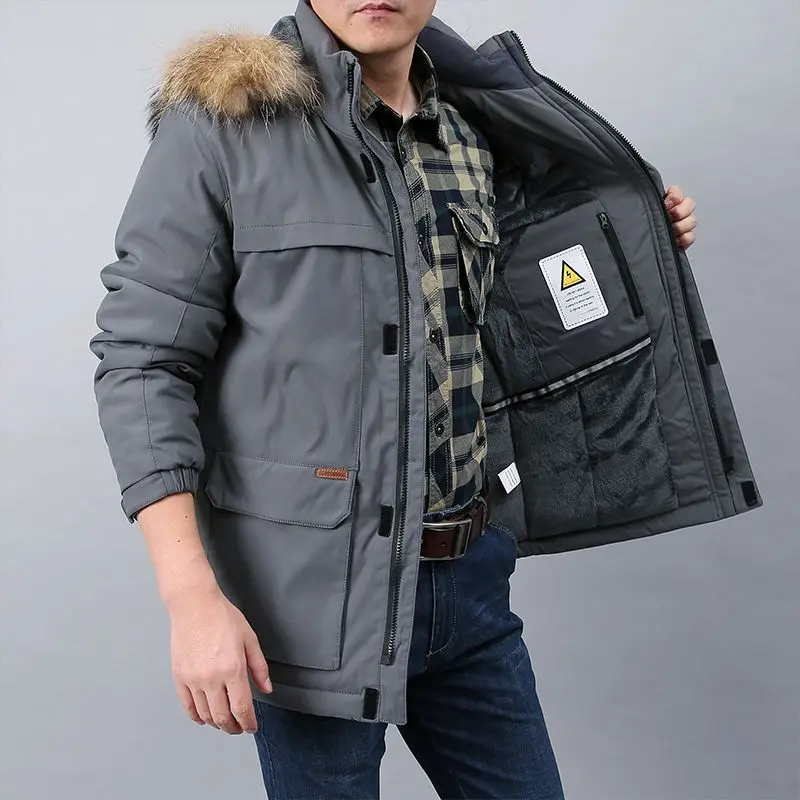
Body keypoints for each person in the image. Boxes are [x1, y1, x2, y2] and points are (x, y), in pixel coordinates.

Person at [91, 1, 765, 798]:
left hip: (470, 581)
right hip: (311, 608)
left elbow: (514, 310)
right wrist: (192, 598)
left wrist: (637, 227)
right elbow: (142, 359)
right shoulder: (227, 126)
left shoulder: (473, 133)